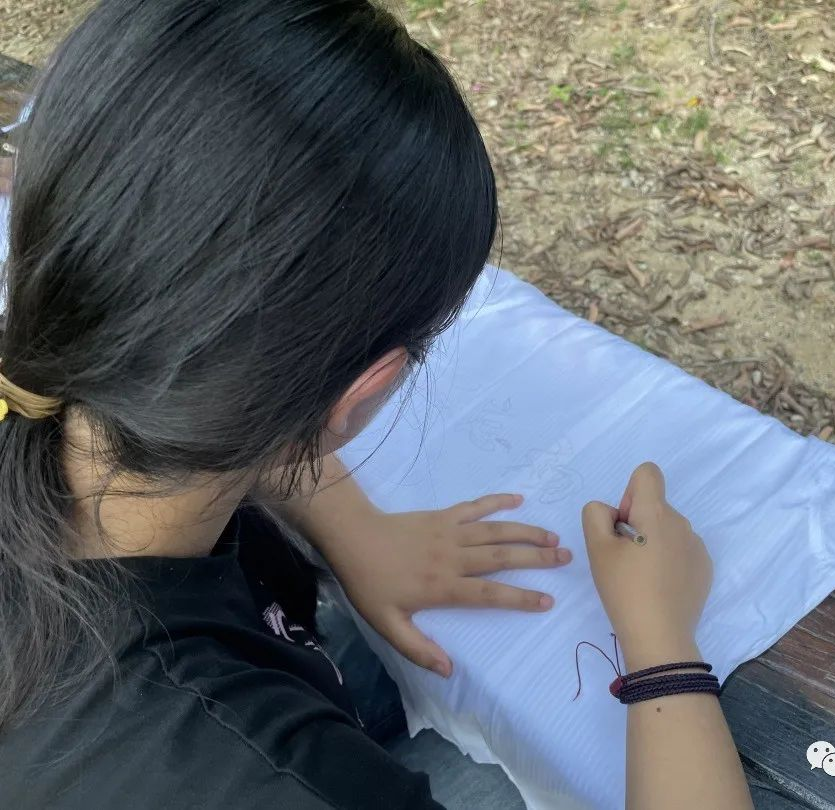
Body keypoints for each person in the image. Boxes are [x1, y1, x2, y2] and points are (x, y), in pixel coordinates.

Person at [0, 1, 753, 808]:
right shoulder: (258, 772)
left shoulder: (56, 357)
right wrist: (660, 642)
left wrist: (351, 528)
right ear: (362, 388)